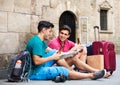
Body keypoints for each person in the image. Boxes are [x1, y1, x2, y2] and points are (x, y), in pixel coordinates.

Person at [26, 20, 106, 80]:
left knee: (55, 52)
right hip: (34, 72)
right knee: (62, 70)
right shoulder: (37, 42)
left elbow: (55, 52)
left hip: (37, 67)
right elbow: (37, 61)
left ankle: (91, 71)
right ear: (44, 30)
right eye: (49, 31)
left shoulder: (40, 41)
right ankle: (91, 75)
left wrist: (68, 53)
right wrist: (53, 57)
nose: (50, 34)